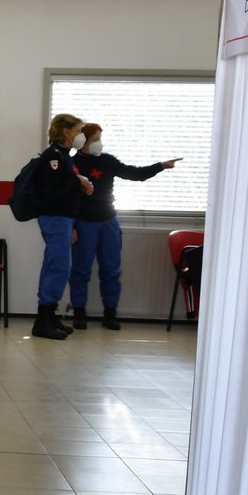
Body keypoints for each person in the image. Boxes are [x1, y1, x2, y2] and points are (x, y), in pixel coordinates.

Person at [68, 122, 179, 330]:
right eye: (96, 139)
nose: (99, 143)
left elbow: (134, 174)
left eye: (100, 139)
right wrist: (72, 226)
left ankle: (110, 314)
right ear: (82, 141)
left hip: (108, 222)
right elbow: (68, 197)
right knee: (80, 270)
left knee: (111, 270)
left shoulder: (108, 161)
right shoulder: (71, 164)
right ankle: (79, 313)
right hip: (83, 223)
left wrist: (161, 166)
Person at [30, 113, 94, 341]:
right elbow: (53, 190)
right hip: (55, 217)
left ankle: (49, 315)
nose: (80, 136)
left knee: (53, 264)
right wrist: (79, 182)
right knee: (59, 266)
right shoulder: (54, 156)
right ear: (66, 131)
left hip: (64, 218)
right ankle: (43, 319)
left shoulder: (65, 156)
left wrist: (79, 181)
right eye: (78, 131)